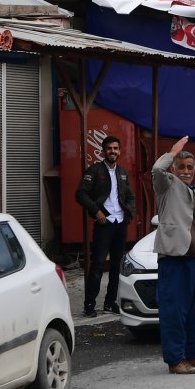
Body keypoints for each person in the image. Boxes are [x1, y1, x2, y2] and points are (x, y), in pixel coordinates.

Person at [152, 136, 195, 375]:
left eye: (190, 167)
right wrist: (172, 152)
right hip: (174, 259)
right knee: (174, 311)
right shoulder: (166, 184)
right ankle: (175, 359)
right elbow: (156, 169)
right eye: (182, 167)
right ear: (174, 169)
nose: (187, 171)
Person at [74, 135, 137, 317]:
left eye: (115, 148)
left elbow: (131, 197)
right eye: (109, 148)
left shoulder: (123, 172)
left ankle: (110, 302)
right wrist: (97, 212)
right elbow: (81, 194)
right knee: (98, 265)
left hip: (120, 224)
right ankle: (89, 304)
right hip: (104, 223)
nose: (113, 151)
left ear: (119, 151)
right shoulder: (94, 170)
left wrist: (129, 215)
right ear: (103, 151)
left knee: (117, 265)